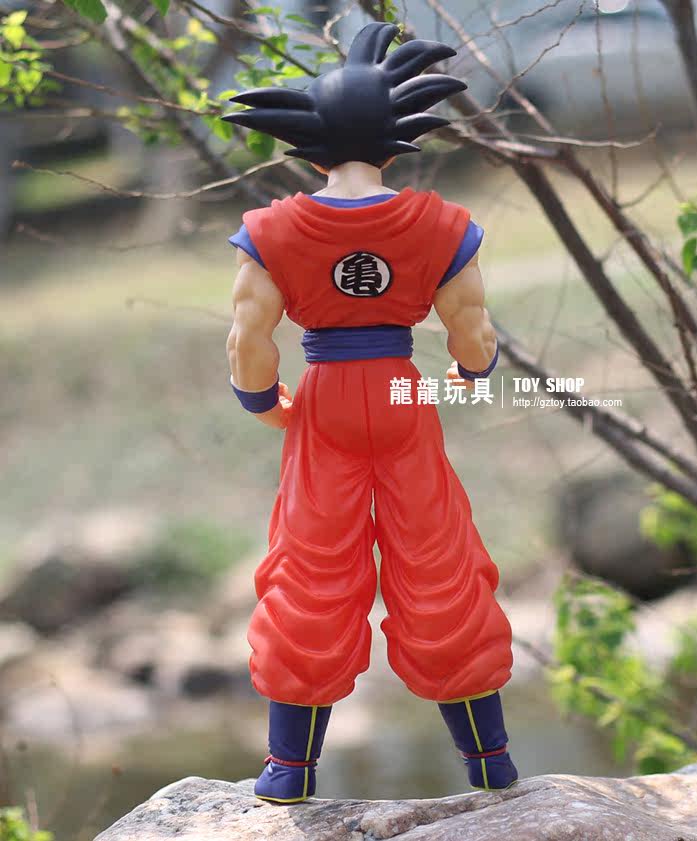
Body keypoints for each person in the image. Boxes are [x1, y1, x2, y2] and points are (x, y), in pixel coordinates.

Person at [223, 21, 516, 804]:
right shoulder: (442, 225)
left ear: (310, 141)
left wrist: (263, 401)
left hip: (323, 401)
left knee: (311, 566)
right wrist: (467, 376)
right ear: (395, 135)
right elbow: (473, 330)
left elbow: (249, 337)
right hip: (401, 393)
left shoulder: (271, 230)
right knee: (439, 559)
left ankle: (290, 768)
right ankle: (490, 757)